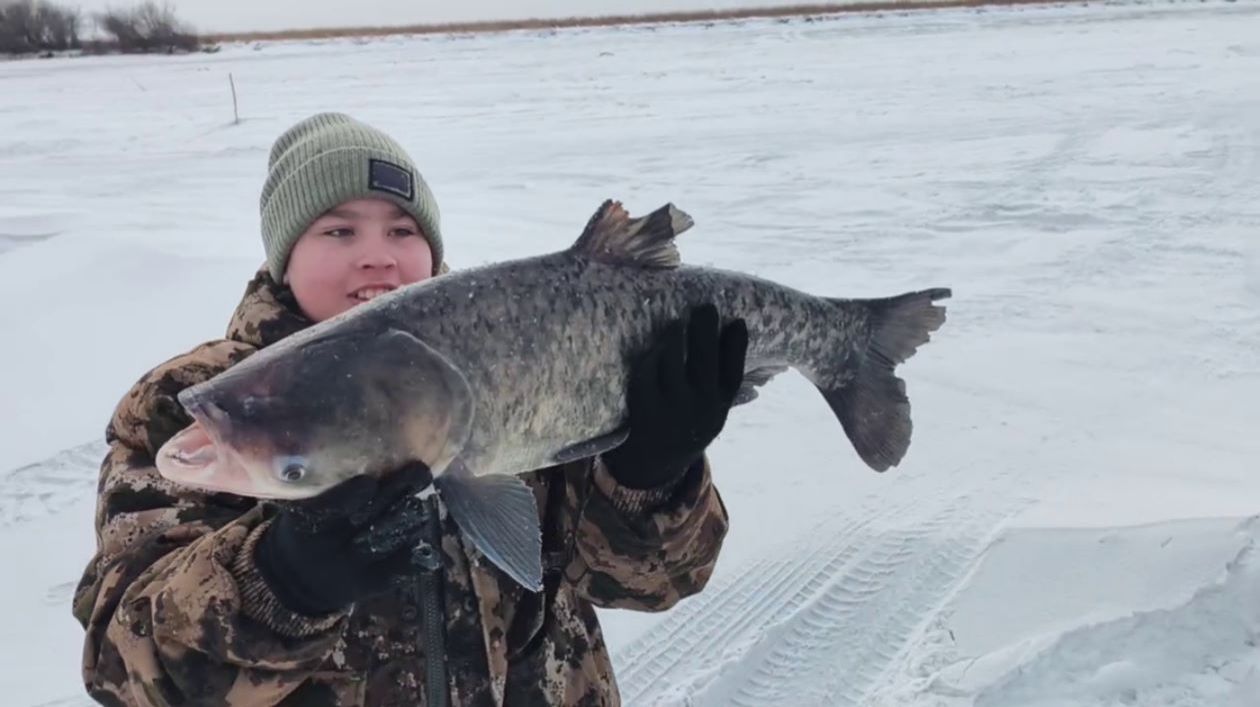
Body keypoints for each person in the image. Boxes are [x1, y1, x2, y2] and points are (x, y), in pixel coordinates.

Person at [72, 112, 744, 706]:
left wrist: (652, 475)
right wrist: (277, 582)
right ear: (284, 254)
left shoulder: (523, 353)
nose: (378, 257)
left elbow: (654, 583)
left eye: (402, 229)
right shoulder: (196, 404)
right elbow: (126, 671)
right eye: (338, 230)